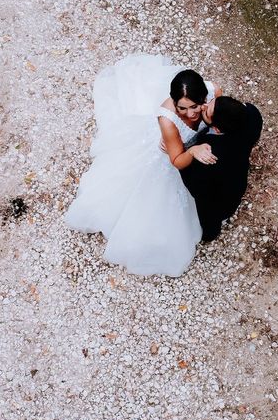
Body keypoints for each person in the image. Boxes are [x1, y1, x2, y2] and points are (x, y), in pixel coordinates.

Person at [65, 53, 220, 277]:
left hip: (195, 148)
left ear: (204, 97)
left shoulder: (214, 92)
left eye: (195, 106)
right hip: (173, 157)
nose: (190, 114)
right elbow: (176, 161)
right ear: (174, 102)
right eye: (182, 108)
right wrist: (192, 150)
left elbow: (220, 117)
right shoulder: (167, 119)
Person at [179, 96, 263, 242]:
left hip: (220, 201)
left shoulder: (209, 158)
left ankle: (209, 232)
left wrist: (189, 152)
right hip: (236, 173)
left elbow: (194, 187)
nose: (203, 106)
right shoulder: (252, 115)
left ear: (216, 129)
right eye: (211, 102)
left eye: (206, 112)